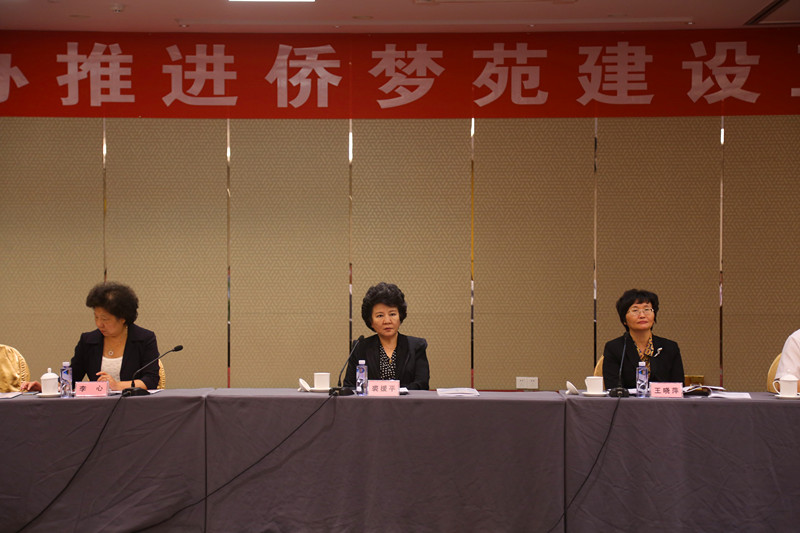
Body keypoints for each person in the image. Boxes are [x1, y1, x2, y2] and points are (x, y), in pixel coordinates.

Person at [21, 282, 160, 392]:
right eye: (96, 317)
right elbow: (71, 379)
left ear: (123, 318)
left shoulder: (144, 339)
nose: (99, 324)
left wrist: (117, 385)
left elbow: (151, 380)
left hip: (134, 406)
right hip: (96, 408)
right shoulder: (88, 341)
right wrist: (46, 388)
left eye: (105, 319)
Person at [344, 282, 430, 390]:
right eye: (380, 316)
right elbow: (349, 386)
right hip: (371, 401)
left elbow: (422, 384)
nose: (387, 321)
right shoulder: (360, 348)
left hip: (407, 401)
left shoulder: (416, 346)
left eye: (392, 314)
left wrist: (394, 391)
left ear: (400, 317)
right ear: (371, 321)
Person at [602, 288, 684, 390]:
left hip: (663, 400)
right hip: (627, 401)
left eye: (647, 309)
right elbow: (612, 387)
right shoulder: (615, 348)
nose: (642, 315)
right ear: (624, 320)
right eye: (635, 310)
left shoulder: (670, 348)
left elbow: (678, 387)